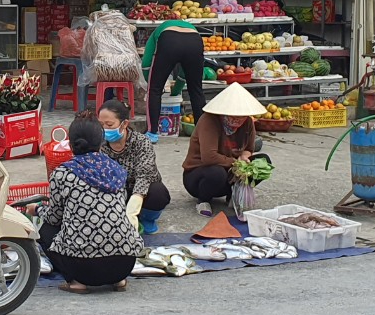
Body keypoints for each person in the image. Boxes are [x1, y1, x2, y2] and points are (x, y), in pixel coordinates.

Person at [38, 117, 142, 294]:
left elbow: (55, 217)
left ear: (71, 144)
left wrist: (38, 210)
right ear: (101, 143)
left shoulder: (63, 173)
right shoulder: (117, 170)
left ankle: (77, 282)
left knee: (46, 230)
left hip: (84, 269)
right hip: (125, 264)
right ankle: (119, 281)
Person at [181, 82, 270, 217]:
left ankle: (233, 194)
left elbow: (249, 148)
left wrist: (244, 158)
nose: (238, 119)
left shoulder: (247, 123)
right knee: (216, 172)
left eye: (241, 116)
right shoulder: (209, 120)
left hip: (229, 171)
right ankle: (203, 200)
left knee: (263, 162)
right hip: (200, 175)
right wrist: (235, 162)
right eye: (234, 115)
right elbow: (209, 157)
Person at [99, 99, 170, 234]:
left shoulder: (141, 142)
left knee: (158, 192)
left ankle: (147, 218)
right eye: (101, 125)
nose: (105, 129)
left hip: (141, 191)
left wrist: (135, 201)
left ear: (124, 124)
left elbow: (145, 173)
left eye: (109, 124)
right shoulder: (100, 145)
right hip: (116, 192)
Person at [141, 19, 206, 143]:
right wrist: (176, 91)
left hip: (169, 41)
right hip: (195, 41)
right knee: (196, 90)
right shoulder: (191, 28)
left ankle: (152, 133)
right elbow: (183, 74)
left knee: (154, 90)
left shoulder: (157, 31)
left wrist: (151, 82)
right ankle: (202, 134)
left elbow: (145, 64)